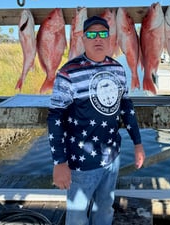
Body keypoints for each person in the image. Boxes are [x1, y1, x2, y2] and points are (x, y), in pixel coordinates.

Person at [47, 15, 145, 225]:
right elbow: (55, 117)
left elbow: (126, 107)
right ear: (83, 39)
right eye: (92, 34)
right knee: (77, 217)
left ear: (110, 39)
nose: (98, 38)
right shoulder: (68, 72)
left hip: (112, 157)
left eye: (103, 34)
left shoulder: (118, 69)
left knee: (105, 210)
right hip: (81, 163)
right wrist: (59, 162)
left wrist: (138, 144)